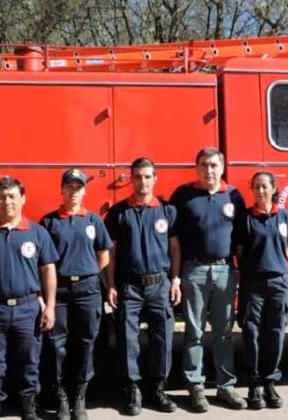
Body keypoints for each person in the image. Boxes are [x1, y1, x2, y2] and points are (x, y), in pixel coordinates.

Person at [0, 177, 59, 420]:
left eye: (12, 196)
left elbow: (48, 271)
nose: (7, 202)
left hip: (28, 308)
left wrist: (50, 308)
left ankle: (28, 408)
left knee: (29, 363)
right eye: (2, 197)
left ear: (23, 199)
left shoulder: (37, 232)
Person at [169, 147, 247, 412]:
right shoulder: (183, 195)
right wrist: (176, 277)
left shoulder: (234, 196)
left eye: (214, 165)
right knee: (194, 332)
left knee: (224, 333)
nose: (209, 170)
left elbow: (240, 241)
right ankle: (195, 387)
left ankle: (226, 387)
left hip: (225, 271)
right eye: (204, 165)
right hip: (194, 270)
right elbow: (174, 241)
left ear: (222, 167)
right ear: (196, 168)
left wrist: (242, 271)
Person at [104, 157, 182, 416]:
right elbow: (110, 254)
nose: (143, 181)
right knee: (128, 341)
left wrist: (175, 279)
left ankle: (158, 388)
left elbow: (174, 248)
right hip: (130, 286)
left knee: (163, 338)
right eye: (138, 176)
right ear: (131, 179)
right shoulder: (118, 212)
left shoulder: (167, 210)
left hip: (160, 284)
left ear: (155, 178)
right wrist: (111, 284)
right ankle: (133, 389)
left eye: (147, 176)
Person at [39, 168, 112, 420]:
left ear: (84, 191)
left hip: (87, 289)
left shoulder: (93, 221)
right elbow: (42, 262)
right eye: (69, 186)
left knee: (85, 342)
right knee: (56, 345)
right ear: (62, 190)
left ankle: (79, 397)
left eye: (78, 187)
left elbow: (104, 255)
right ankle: (61, 396)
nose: (74, 191)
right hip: (58, 290)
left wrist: (87, 271)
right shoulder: (49, 222)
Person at [236, 171, 288, 409]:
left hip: (279, 283)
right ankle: (253, 385)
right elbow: (239, 251)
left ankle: (270, 384)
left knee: (275, 333)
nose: (260, 191)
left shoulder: (285, 217)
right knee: (251, 334)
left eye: (264, 187)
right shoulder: (246, 218)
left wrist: (277, 265)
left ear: (273, 188)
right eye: (256, 187)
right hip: (253, 283)